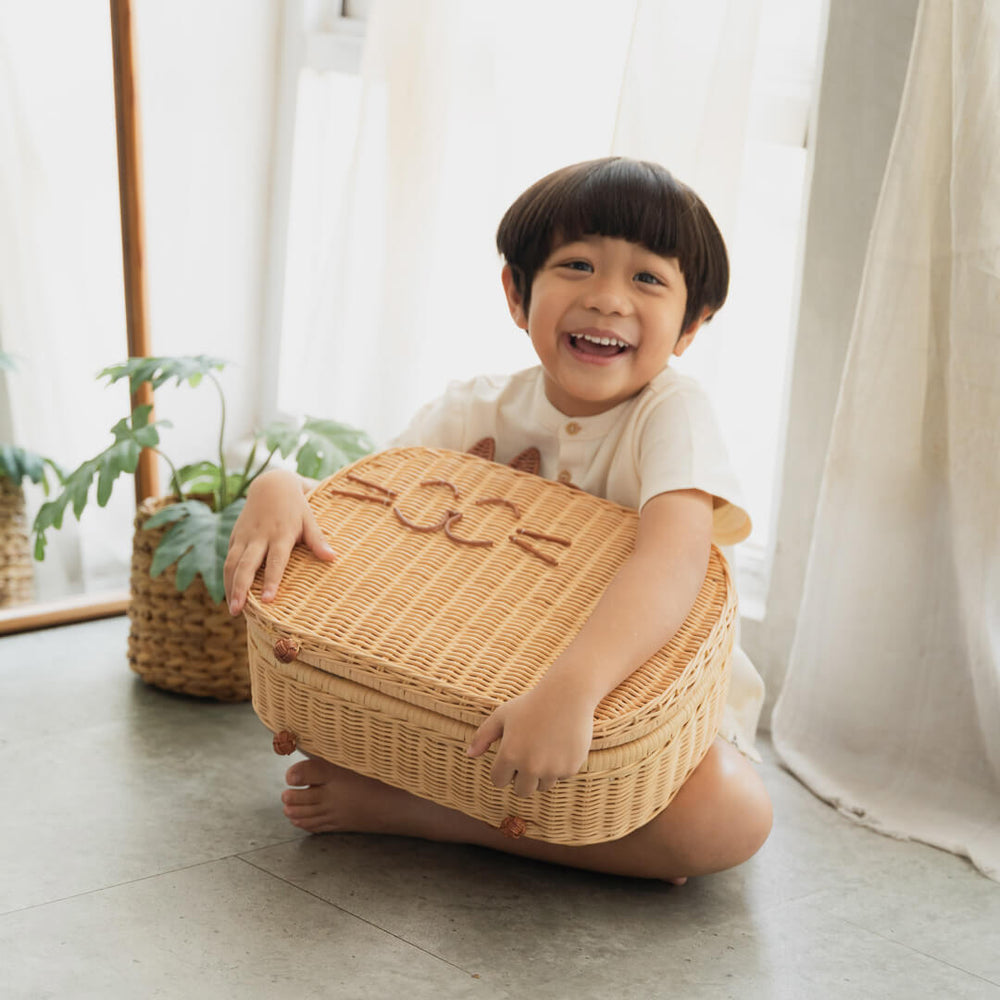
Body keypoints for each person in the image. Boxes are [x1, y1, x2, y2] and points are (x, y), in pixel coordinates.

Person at [225, 157, 772, 882]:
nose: (608, 299)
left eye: (647, 278)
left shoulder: (673, 414)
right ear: (517, 292)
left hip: (619, 706)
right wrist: (281, 486)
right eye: (577, 265)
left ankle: (432, 815)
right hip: (469, 695)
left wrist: (574, 689)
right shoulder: (470, 410)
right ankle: (471, 796)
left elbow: (669, 565)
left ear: (691, 325)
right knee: (343, 722)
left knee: (729, 819)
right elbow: (372, 521)